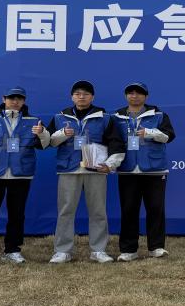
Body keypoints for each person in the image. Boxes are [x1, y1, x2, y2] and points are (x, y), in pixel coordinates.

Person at [0, 86, 49, 267]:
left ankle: (12, 250)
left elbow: (43, 145)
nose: (15, 101)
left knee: (17, 215)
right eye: (12, 98)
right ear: (4, 99)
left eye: (19, 98)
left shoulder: (34, 121)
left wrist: (42, 133)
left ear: (24, 101)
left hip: (21, 174)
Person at [46, 80, 117, 264]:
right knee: (65, 211)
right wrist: (63, 134)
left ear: (92, 97)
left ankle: (98, 250)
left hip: (95, 169)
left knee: (98, 211)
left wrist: (109, 165)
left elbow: (115, 143)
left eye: (85, 93)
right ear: (72, 97)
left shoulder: (105, 118)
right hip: (68, 170)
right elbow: (48, 142)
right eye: (77, 93)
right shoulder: (60, 117)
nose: (81, 97)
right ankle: (62, 251)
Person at [107, 82, 175, 261]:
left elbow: (169, 136)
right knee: (128, 209)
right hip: (128, 170)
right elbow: (112, 141)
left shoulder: (159, 115)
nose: (134, 96)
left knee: (156, 209)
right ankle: (128, 250)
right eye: (130, 93)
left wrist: (150, 132)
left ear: (146, 96)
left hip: (154, 169)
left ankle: (156, 247)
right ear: (126, 96)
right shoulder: (116, 117)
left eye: (138, 93)